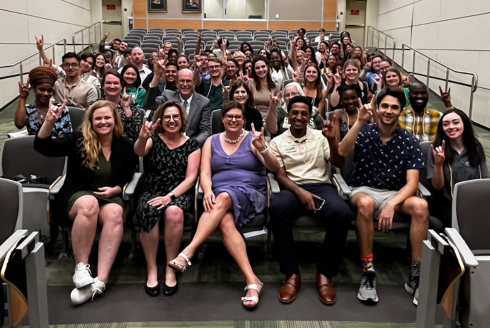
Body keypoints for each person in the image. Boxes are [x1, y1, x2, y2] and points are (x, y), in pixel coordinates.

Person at [167, 101, 280, 309]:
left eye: (238, 117)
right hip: (219, 196)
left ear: (244, 120)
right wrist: (208, 190)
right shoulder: (211, 141)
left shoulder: (252, 139)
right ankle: (253, 281)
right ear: (222, 119)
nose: (234, 120)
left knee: (226, 197)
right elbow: (205, 173)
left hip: (251, 193)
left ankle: (188, 251)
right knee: (225, 222)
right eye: (229, 116)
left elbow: (275, 168)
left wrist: (263, 149)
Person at [34, 100, 138, 305]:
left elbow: (128, 172)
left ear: (115, 120)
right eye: (98, 118)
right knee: (89, 204)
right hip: (78, 195)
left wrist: (117, 188)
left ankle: (100, 280)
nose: (103, 122)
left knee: (116, 214)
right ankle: (81, 269)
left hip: (108, 195)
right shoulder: (78, 139)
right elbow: (43, 147)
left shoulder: (124, 144)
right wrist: (49, 122)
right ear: (90, 121)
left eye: (107, 117)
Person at [338, 87, 429, 306]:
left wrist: (391, 203)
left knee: (421, 206)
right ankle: (368, 273)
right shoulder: (365, 131)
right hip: (363, 190)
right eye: (385, 106)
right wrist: (359, 122)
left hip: (395, 194)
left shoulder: (409, 140)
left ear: (401, 110)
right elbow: (342, 151)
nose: (389, 111)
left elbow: (413, 183)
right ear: (378, 108)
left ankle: (416, 276)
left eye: (394, 107)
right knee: (367, 204)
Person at [269, 96, 351, 305]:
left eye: (304, 113)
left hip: (321, 186)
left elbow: (338, 162)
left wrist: (333, 140)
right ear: (288, 115)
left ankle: (325, 274)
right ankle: (291, 274)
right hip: (291, 187)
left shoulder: (321, 137)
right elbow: (280, 175)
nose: (299, 117)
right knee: (277, 209)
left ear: (309, 116)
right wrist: (300, 193)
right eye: (294, 112)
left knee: (342, 213)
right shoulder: (278, 141)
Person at [134, 101, 201, 297]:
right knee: (148, 209)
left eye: (176, 117)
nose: (172, 121)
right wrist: (141, 137)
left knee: (174, 212)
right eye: (167, 117)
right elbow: (139, 151)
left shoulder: (192, 144)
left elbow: (191, 178)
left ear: (182, 120)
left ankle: (171, 267)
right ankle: (152, 268)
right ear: (160, 121)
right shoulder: (152, 139)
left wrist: (169, 197)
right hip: (151, 189)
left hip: (178, 192)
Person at [427, 108, 489, 228]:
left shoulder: (475, 148)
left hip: (473, 201)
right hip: (447, 203)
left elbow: (485, 179)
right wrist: (439, 164)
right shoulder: (436, 149)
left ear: (464, 124)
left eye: (456, 122)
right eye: (446, 124)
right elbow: (437, 187)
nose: (451, 127)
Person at [145, 68, 211, 147]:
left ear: (194, 83)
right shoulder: (167, 96)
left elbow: (205, 131)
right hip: (167, 143)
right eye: (182, 81)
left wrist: (191, 144)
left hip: (191, 145)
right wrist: (156, 76)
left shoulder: (203, 102)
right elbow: (150, 104)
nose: (185, 84)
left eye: (188, 81)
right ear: (176, 83)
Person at [15, 66, 72, 136]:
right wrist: (23, 97)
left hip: (56, 146)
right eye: (42, 90)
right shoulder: (28, 109)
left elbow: (65, 138)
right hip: (33, 146)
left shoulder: (60, 109)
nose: (46, 93)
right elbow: (19, 124)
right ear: (34, 88)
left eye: (49, 91)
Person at [102, 71, 143, 141]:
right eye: (108, 83)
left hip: (125, 145)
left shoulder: (132, 105)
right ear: (103, 86)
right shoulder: (94, 105)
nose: (112, 86)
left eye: (116, 83)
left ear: (121, 86)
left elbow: (136, 134)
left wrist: (126, 108)